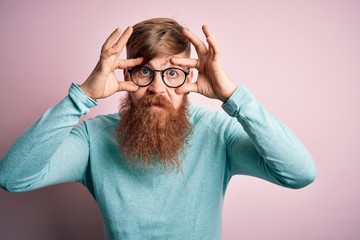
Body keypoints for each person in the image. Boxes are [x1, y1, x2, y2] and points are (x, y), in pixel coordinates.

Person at [0, 18, 316, 239]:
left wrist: (232, 96)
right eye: (144, 72)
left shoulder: (217, 132)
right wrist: (81, 97)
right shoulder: (93, 138)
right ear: (125, 73)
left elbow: (299, 173)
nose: (157, 88)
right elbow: (12, 178)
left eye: (173, 73)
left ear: (190, 75)